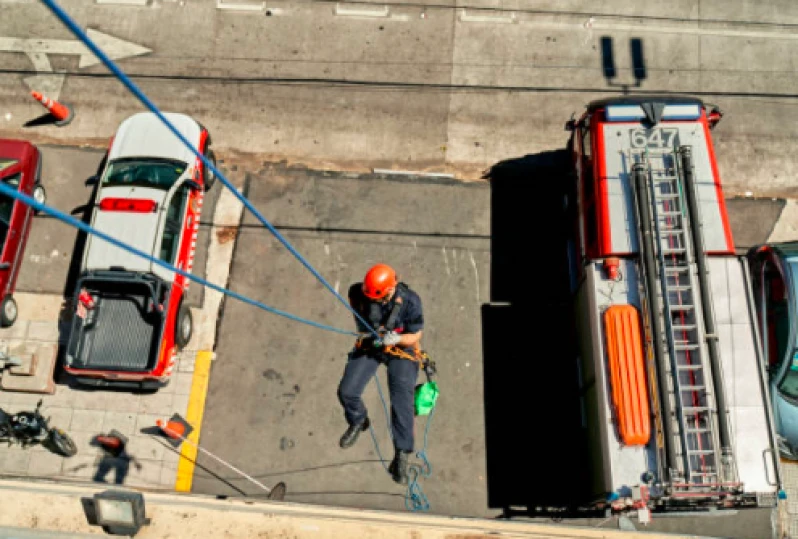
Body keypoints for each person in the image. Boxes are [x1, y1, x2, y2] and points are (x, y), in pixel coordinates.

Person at [337, 263, 424, 485]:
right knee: (347, 391)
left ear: (389, 290)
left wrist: (397, 339)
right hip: (373, 345)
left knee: (401, 400)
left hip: (400, 349)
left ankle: (402, 453)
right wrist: (371, 337)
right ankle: (358, 421)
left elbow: (415, 334)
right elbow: (361, 321)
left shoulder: (411, 301)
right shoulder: (359, 293)